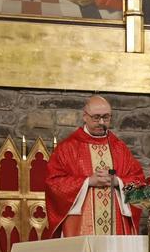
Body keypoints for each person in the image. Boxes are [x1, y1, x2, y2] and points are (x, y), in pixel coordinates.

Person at [46, 95, 144, 236]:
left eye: (106, 117)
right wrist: (88, 181)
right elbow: (53, 183)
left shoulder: (119, 148)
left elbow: (138, 179)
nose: (102, 122)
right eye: (96, 117)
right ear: (85, 116)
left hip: (116, 222)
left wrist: (118, 181)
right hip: (81, 224)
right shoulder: (68, 147)